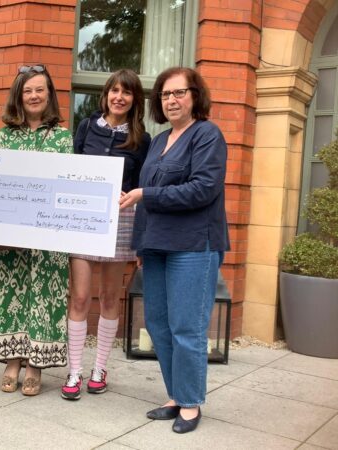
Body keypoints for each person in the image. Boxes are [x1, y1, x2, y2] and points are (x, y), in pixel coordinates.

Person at [120, 67, 229, 434]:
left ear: (195, 95)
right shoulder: (159, 140)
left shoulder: (207, 135)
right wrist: (140, 243)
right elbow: (144, 198)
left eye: (179, 93)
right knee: (159, 325)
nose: (172, 100)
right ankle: (176, 394)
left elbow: (203, 189)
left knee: (187, 328)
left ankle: (191, 402)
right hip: (156, 246)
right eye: (166, 95)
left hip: (194, 246)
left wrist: (146, 195)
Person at [0, 64, 72, 396]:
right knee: (11, 293)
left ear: (49, 95)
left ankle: (35, 364)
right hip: (10, 235)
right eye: (28, 90)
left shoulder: (62, 136)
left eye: (40, 90)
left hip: (47, 236)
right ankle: (12, 360)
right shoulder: (5, 136)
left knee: (42, 296)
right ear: (19, 95)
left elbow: (66, 185)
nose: (34, 96)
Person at [61, 69, 151, 401]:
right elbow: (69, 171)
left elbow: (142, 189)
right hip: (83, 218)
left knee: (110, 298)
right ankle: (74, 370)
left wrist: (141, 235)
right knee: (81, 298)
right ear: (106, 95)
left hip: (122, 220)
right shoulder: (86, 127)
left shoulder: (143, 139)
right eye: (114, 91)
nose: (119, 97)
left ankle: (100, 367)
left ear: (134, 100)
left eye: (126, 92)